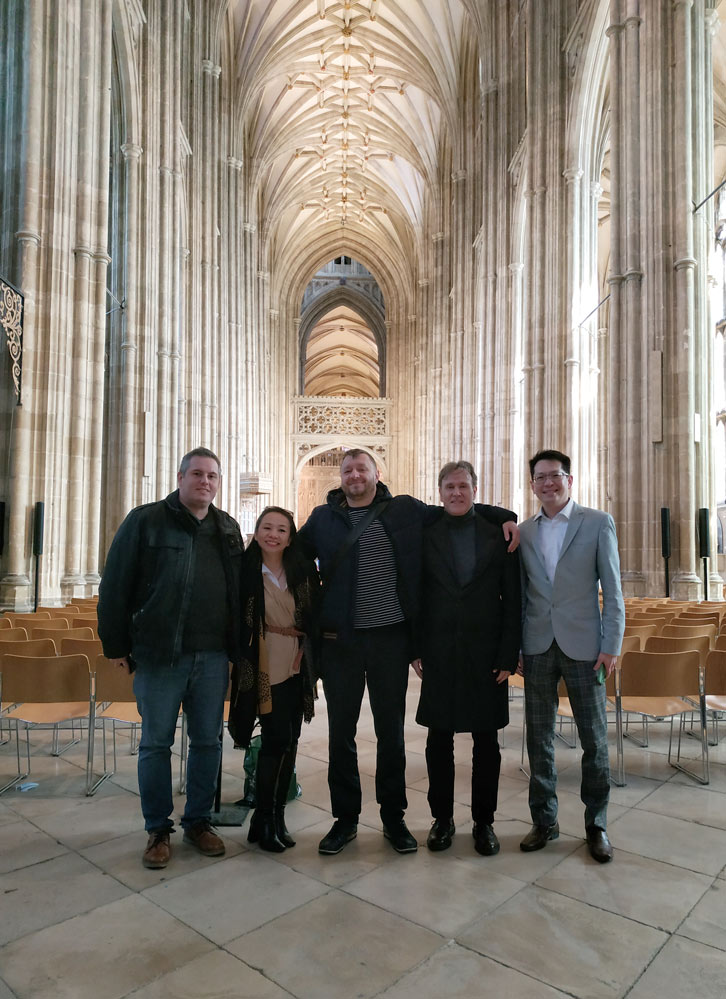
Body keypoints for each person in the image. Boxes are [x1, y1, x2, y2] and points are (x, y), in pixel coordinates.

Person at [297, 448, 518, 856]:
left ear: (377, 472)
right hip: (340, 642)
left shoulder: (405, 510)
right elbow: (292, 556)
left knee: (390, 733)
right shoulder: (322, 518)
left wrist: (505, 516)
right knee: (340, 734)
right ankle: (344, 819)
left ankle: (393, 818)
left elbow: (457, 505)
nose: (355, 475)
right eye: (347, 470)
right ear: (340, 477)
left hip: (389, 639)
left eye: (362, 468)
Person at [97, 447, 243, 870]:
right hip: (161, 656)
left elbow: (238, 593)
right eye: (197, 474)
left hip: (213, 656)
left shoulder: (227, 528)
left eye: (212, 476)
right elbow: (115, 584)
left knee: (207, 742)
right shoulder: (145, 520)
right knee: (156, 744)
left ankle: (198, 821)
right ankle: (157, 829)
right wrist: (115, 646)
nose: (205, 482)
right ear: (180, 477)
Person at [517, 449, 625, 863]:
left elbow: (613, 590)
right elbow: (523, 595)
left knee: (594, 741)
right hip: (538, 644)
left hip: (585, 648)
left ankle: (596, 823)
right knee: (539, 738)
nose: (548, 483)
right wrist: (517, 648)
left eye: (555, 476)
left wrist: (611, 645)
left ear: (569, 479)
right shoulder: (525, 532)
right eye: (540, 478)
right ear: (533, 485)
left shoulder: (597, 523)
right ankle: (544, 820)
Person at [412, 461, 521, 856]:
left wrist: (509, 654)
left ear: (475, 489)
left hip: (486, 654)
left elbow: (513, 600)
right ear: (439, 491)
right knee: (437, 741)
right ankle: (442, 819)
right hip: (439, 652)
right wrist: (416, 647)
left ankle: (484, 822)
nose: (456, 493)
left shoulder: (499, 534)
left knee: (486, 743)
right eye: (449, 486)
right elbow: (416, 594)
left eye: (463, 486)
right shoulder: (425, 532)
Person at [227, 506, 319, 852]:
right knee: (274, 740)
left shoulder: (302, 569)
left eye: (281, 529)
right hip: (263, 662)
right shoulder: (246, 569)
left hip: (298, 661)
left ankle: (275, 817)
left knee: (290, 740)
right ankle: (263, 817)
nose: (273, 535)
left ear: (290, 537)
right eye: (267, 527)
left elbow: (314, 613)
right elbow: (235, 617)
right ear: (256, 531)